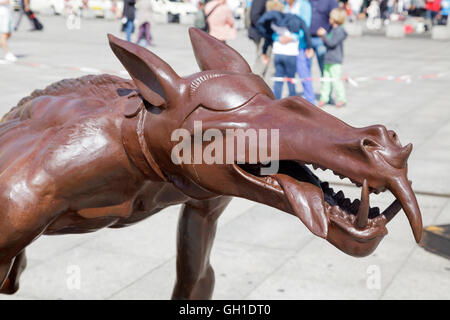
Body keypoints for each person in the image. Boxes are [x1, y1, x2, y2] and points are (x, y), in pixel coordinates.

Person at [256, 0, 313, 99]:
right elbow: (305, 28)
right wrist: (308, 46)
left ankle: (277, 102)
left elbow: (268, 38)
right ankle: (292, 101)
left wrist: (265, 51)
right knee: (291, 80)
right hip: (291, 53)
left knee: (278, 79)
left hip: (278, 53)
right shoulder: (293, 18)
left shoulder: (272, 23)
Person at [283, 0, 315, 104]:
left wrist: (292, 37)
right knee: (288, 75)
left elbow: (305, 25)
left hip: (300, 46)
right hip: (285, 46)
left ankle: (311, 102)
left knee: (304, 74)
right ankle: (292, 100)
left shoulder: (304, 5)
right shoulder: (284, 4)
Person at [317, 8, 347, 108]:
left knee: (336, 81)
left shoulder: (340, 30)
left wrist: (324, 35)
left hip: (335, 60)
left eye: (331, 17)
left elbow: (332, 43)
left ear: (335, 18)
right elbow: (327, 42)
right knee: (325, 81)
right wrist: (323, 37)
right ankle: (324, 98)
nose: (329, 19)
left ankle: (341, 99)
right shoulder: (333, 29)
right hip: (328, 59)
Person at [309, 0, 338, 76]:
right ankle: (308, 88)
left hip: (322, 39)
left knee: (324, 69)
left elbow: (336, 17)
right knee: (305, 69)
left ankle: (326, 88)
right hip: (307, 38)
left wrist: (326, 34)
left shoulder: (330, 2)